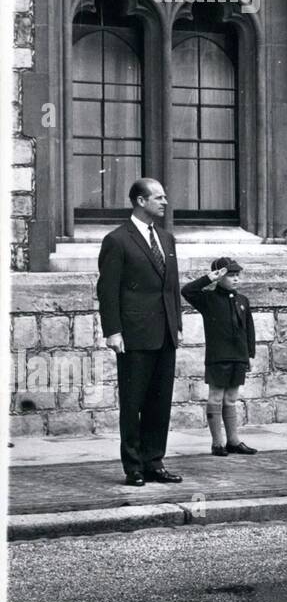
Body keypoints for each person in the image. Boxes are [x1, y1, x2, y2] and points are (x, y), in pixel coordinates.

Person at [95, 178, 184, 487]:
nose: (165, 202)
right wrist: (113, 331)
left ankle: (154, 462)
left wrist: (177, 325)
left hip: (165, 334)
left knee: (160, 402)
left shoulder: (166, 239)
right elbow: (107, 290)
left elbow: (171, 287)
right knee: (133, 403)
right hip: (133, 335)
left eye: (165, 196)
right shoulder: (117, 240)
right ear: (140, 201)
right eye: (158, 197)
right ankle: (134, 466)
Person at [182, 257, 260, 456]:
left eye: (237, 275)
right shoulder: (208, 299)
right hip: (218, 356)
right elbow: (187, 291)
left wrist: (249, 353)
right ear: (219, 277)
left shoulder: (243, 300)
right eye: (230, 275)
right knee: (216, 397)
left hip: (238, 356)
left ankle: (233, 441)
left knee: (231, 398)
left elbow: (249, 329)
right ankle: (218, 443)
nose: (236, 279)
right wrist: (209, 278)